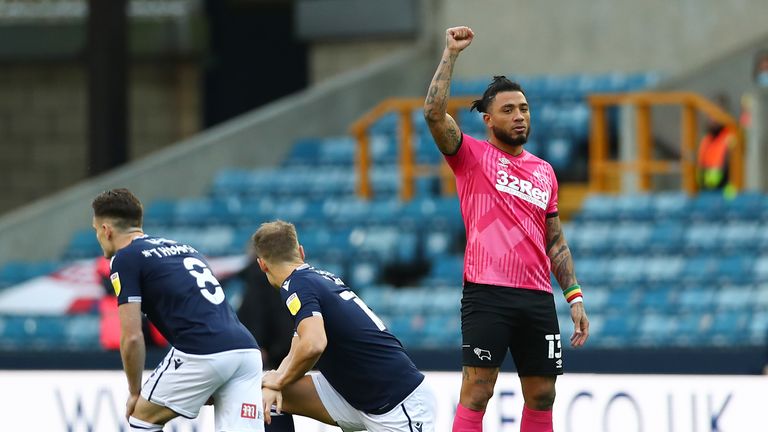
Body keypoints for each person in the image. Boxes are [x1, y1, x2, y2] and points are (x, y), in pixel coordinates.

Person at [423, 27, 590, 432]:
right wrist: (450, 54)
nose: (519, 116)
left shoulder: (544, 171)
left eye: (525, 108)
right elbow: (432, 113)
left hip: (536, 296)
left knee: (542, 395)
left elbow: (555, 240)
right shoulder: (470, 156)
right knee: (478, 392)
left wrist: (574, 297)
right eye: (509, 109)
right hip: (487, 292)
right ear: (487, 119)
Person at [91, 188, 264, 432]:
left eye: (96, 230)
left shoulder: (125, 259)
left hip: (203, 351)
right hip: (247, 352)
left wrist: (134, 393)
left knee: (141, 420)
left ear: (106, 230)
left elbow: (131, 337)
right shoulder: (184, 248)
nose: (98, 236)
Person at [251, 220, 436, 432]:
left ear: (262, 264)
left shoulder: (297, 286)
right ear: (301, 252)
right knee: (267, 395)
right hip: (356, 397)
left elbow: (314, 344)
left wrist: (279, 381)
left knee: (272, 389)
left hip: (399, 404)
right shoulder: (319, 279)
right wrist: (274, 381)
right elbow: (298, 346)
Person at [696, 95, 737, 193]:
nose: (713, 119)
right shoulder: (706, 140)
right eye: (711, 114)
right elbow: (699, 173)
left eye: (718, 114)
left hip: (726, 197)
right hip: (706, 193)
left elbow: (725, 174)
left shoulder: (731, 137)